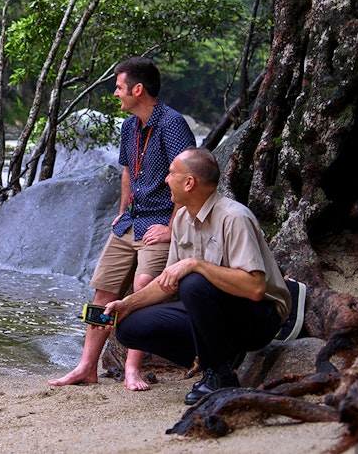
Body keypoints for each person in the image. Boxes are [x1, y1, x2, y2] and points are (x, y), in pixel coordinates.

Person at [49, 57, 195, 390]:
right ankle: (86, 367)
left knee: (144, 284)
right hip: (130, 219)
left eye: (119, 87)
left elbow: (188, 176)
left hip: (160, 220)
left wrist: (174, 227)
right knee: (102, 292)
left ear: (137, 89)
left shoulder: (172, 124)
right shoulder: (129, 126)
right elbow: (128, 172)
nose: (116, 93)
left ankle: (133, 367)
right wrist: (120, 210)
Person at [103, 147, 292, 405]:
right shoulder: (181, 218)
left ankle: (219, 375)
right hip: (215, 314)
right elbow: (168, 282)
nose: (166, 180)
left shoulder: (233, 217)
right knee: (129, 328)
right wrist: (126, 305)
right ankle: (219, 359)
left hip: (260, 316)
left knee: (193, 281)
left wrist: (195, 264)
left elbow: (256, 288)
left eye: (171, 174)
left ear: (189, 183)